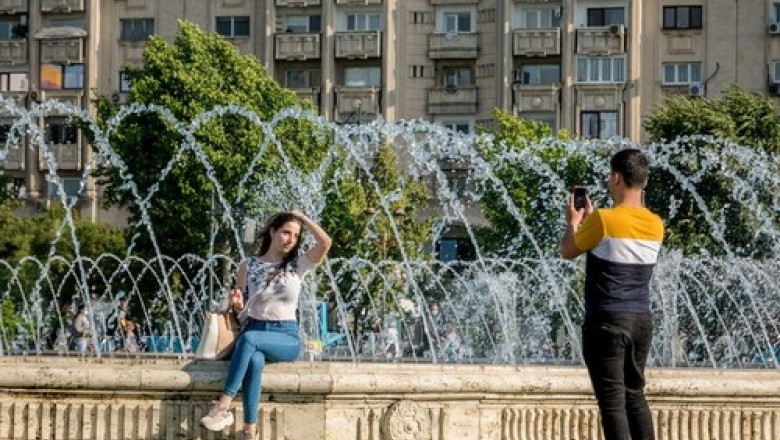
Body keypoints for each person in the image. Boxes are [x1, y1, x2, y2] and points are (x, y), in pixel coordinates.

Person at [559, 149, 664, 440]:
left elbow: (568, 251)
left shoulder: (603, 219)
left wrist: (574, 222)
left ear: (615, 177)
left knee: (612, 403)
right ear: (645, 182)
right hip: (641, 321)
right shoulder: (656, 224)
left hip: (607, 322)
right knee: (635, 396)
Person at [200, 210, 331, 438]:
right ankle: (250, 430)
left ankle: (223, 404)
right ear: (272, 232)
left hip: (285, 337)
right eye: (285, 232)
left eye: (296, 235)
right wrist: (238, 306)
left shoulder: (298, 266)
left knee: (250, 340)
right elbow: (241, 315)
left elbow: (325, 242)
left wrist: (302, 217)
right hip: (254, 330)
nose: (291, 239)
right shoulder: (247, 266)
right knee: (255, 360)